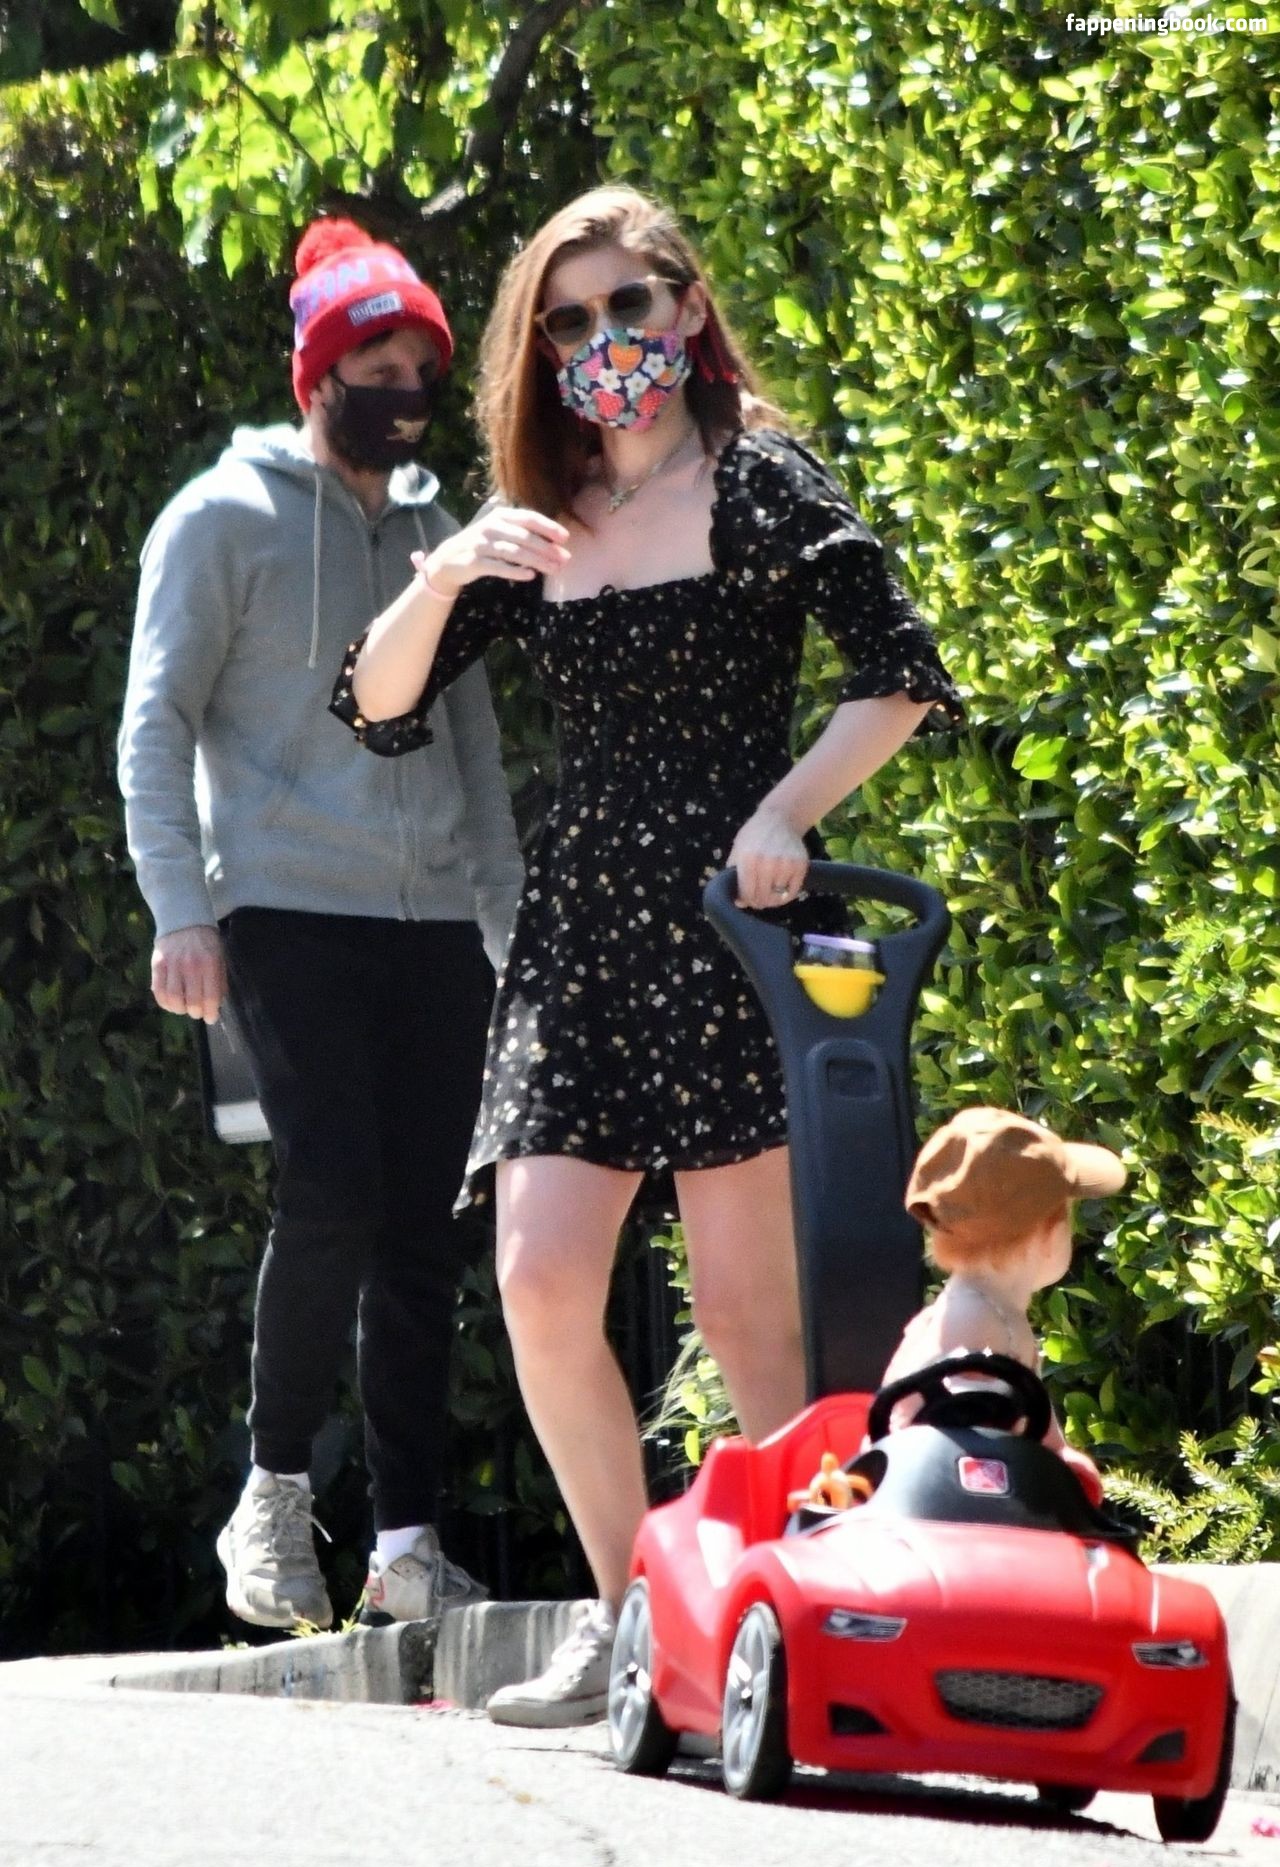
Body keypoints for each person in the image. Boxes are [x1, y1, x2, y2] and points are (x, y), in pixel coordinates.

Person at [328, 185, 961, 1724]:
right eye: (569, 320)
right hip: (581, 938)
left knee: (748, 1317)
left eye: (627, 304)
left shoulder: (759, 480)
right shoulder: (539, 521)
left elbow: (901, 672)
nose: (603, 338)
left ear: (684, 308)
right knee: (540, 1278)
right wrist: (444, 570)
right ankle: (631, 1623)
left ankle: (812, 1621)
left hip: (736, 932)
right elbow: (377, 706)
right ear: (540, 349)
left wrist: (788, 811)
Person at [118, 217, 524, 1633]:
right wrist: (181, 910)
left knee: (422, 1228)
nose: (403, 392)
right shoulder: (217, 520)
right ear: (315, 377)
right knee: (335, 1189)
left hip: (433, 927)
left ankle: (406, 1544)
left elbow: (473, 749)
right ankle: (274, 1490)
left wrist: (506, 934)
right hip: (282, 907)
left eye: (421, 370)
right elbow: (154, 727)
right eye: (376, 368)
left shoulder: (437, 538)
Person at [881, 1106, 1128, 1452]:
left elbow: (1038, 1422)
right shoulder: (980, 1323)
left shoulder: (976, 1308)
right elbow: (967, 1448)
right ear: (1046, 1235)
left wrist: (1062, 1455)